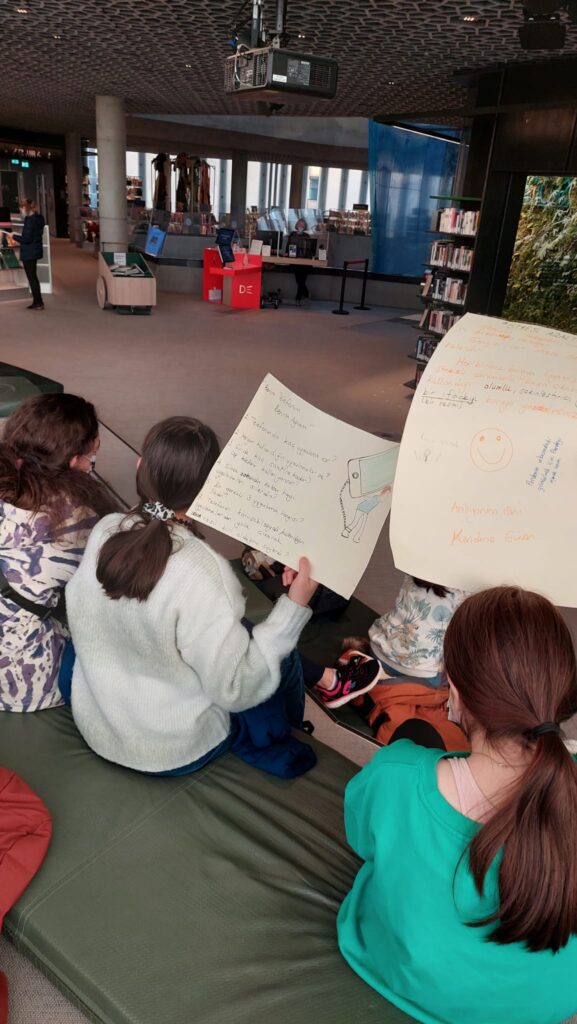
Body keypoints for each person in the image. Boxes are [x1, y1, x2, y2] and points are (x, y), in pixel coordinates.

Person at [338, 586, 577, 1024]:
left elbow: (362, 839)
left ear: (456, 692)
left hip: (403, 977)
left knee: (415, 735)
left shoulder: (399, 775)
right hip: (544, 1007)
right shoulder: (568, 785)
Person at [66, 416, 319, 777]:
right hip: (170, 751)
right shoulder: (204, 571)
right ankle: (284, 736)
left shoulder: (106, 528)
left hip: (99, 725)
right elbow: (236, 691)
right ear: (212, 489)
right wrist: (294, 606)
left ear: (140, 466)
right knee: (283, 653)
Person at [0, 394, 118, 712]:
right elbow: (120, 581)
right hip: (22, 680)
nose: (92, 466)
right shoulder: (75, 518)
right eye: (91, 458)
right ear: (72, 462)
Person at [311, 575, 467, 708]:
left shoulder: (416, 565)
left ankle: (375, 677)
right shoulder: (469, 589)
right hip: (422, 674)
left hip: (378, 650)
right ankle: (389, 686)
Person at [10, 199, 46, 310]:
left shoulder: (30, 220)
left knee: (32, 278)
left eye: (21, 209)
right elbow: (32, 235)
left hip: (29, 252)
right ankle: (38, 301)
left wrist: (13, 236)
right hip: (35, 250)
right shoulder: (39, 218)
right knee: (33, 277)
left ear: (25, 208)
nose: (21, 212)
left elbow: (26, 239)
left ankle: (38, 302)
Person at [286, 217, 311, 304]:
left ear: (305, 227)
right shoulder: (292, 235)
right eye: (300, 225)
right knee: (299, 281)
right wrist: (286, 253)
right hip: (295, 261)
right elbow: (288, 246)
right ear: (297, 225)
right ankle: (306, 294)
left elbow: (309, 249)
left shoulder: (307, 236)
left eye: (303, 226)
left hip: (305, 262)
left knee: (301, 280)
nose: (301, 227)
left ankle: (298, 297)